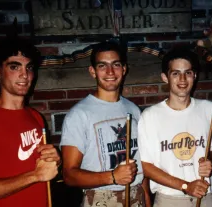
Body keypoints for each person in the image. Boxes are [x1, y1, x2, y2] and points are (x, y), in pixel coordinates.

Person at [0, 38, 60, 207]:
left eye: (28, 68)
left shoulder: (35, 117)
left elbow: (42, 170)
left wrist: (54, 159)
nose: (24, 75)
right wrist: (35, 176)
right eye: (14, 67)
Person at [60, 41, 150, 206]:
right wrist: (113, 176)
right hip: (101, 197)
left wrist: (147, 201)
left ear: (124, 69)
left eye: (115, 65)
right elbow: (69, 175)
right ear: (92, 71)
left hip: (136, 195)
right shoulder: (79, 114)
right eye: (102, 66)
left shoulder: (133, 110)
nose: (110, 72)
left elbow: (139, 164)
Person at [137, 49, 212, 206]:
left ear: (194, 76)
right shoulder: (150, 116)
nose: (182, 79)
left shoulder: (209, 110)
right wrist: (185, 186)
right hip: (169, 198)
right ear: (165, 77)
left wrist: (211, 161)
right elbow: (146, 166)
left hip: (206, 196)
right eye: (175, 73)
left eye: (187, 73)